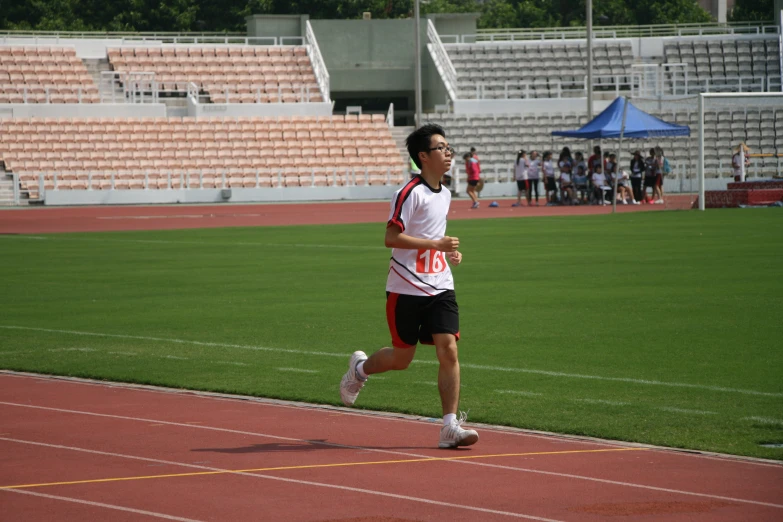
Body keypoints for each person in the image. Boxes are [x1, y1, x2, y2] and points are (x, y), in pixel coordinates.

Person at [339, 123, 479, 449]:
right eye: (441, 148)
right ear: (423, 156)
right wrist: (435, 245)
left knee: (449, 349)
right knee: (403, 358)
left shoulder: (444, 193)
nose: (448, 153)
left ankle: (449, 427)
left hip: (440, 285)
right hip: (405, 287)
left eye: (448, 148)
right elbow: (391, 237)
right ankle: (360, 370)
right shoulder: (408, 192)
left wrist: (448, 252)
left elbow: (433, 235)